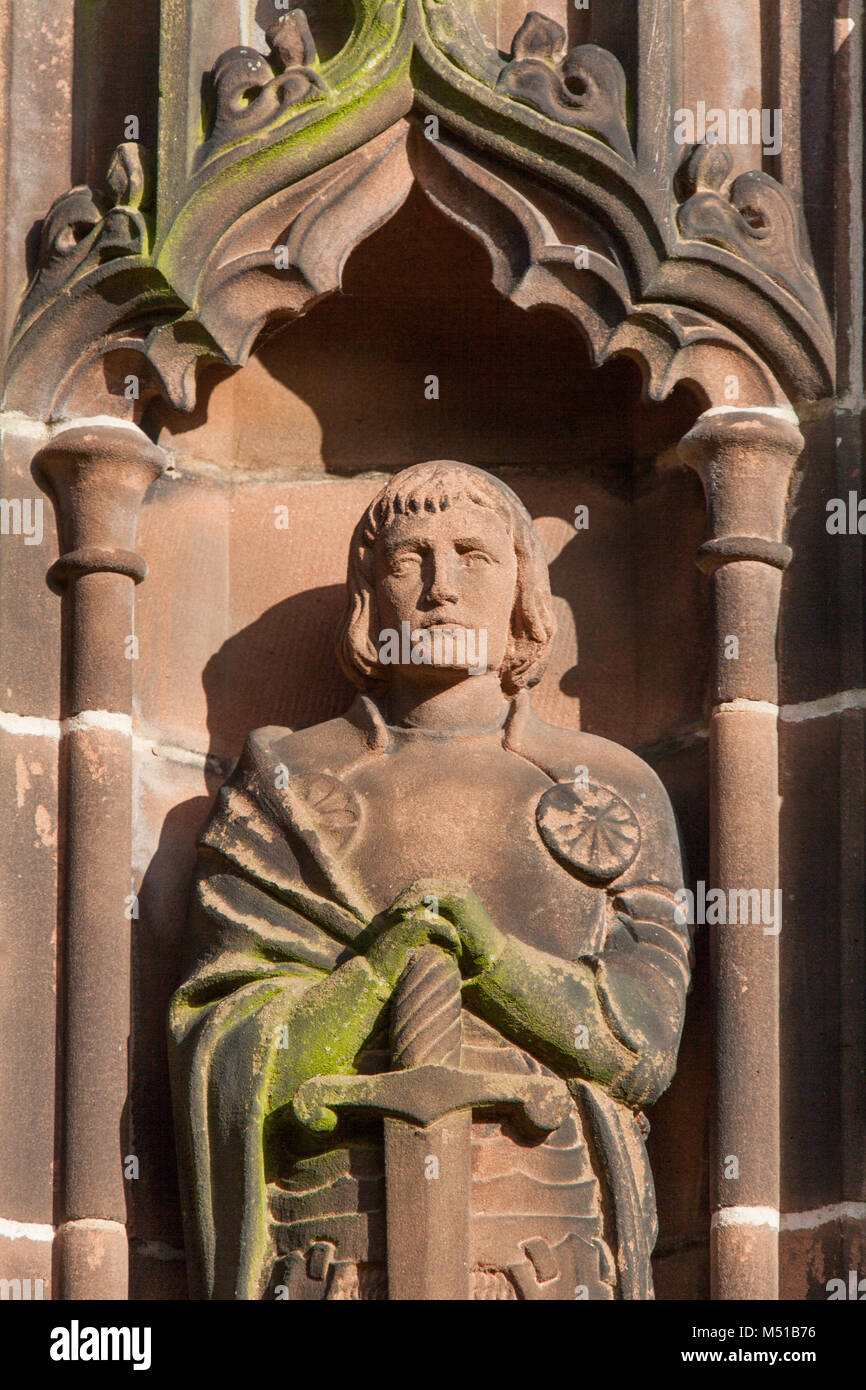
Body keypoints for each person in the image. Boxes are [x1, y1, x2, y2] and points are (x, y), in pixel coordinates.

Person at [169, 460, 692, 1299]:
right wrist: (370, 978)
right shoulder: (286, 783)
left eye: (474, 557)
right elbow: (227, 1036)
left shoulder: (607, 786)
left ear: (523, 586)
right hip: (332, 1249)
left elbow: (641, 1044)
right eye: (410, 560)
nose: (441, 587)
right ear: (370, 595)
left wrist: (491, 960)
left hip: (544, 1244)